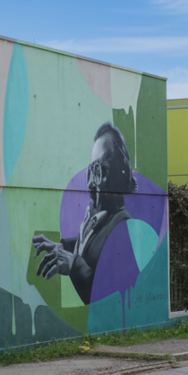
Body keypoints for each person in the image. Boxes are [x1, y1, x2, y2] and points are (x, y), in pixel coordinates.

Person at [32, 123, 137, 304]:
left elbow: (105, 291)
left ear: (120, 174)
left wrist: (73, 264)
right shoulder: (99, 218)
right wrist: (61, 247)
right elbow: (92, 246)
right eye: (90, 169)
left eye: (99, 169)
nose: (91, 181)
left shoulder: (122, 226)